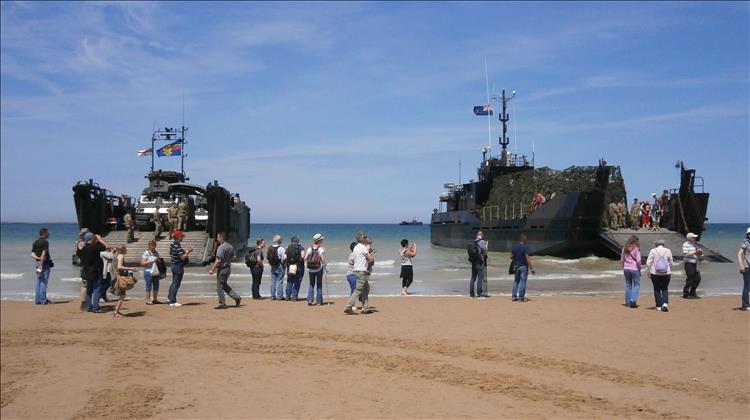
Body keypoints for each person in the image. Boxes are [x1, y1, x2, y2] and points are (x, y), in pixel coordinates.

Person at [208, 232, 241, 309]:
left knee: (219, 286)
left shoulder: (221, 247)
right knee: (224, 285)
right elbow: (234, 257)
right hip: (228, 268)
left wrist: (212, 269)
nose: (217, 239)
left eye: (217, 237)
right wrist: (227, 260)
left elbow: (218, 260)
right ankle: (236, 297)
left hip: (222, 268)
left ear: (221, 238)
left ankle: (222, 303)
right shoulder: (230, 246)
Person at [78, 232, 110, 313]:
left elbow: (79, 253)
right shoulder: (95, 247)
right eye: (93, 237)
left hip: (87, 271)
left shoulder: (84, 248)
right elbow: (107, 246)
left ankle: (89, 307)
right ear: (91, 238)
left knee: (89, 290)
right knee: (96, 289)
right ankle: (96, 307)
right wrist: (100, 239)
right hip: (96, 271)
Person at [344, 232, 374, 314]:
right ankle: (348, 306)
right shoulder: (363, 247)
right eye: (364, 237)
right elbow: (370, 259)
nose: (365, 238)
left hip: (356, 270)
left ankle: (366, 307)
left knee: (366, 288)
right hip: (361, 271)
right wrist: (371, 258)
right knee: (358, 290)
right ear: (361, 238)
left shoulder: (356, 247)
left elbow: (357, 258)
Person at [646, 239, 673, 312]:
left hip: (655, 272)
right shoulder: (668, 250)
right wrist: (669, 268)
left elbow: (648, 262)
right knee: (665, 288)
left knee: (656, 288)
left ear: (656, 244)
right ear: (663, 244)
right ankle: (664, 303)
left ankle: (658, 306)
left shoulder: (653, 250)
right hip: (666, 273)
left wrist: (648, 270)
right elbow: (671, 262)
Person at [167, 230, 192, 307]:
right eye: (181, 236)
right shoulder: (177, 247)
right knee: (176, 284)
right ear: (178, 237)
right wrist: (188, 252)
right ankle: (173, 301)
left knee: (173, 282)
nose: (182, 238)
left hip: (173, 264)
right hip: (178, 266)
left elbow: (170, 252)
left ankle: (169, 298)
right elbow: (182, 258)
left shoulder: (172, 244)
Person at [113, 245, 138, 318]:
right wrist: (130, 268)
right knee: (122, 295)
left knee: (122, 295)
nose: (127, 250)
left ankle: (116, 311)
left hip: (118, 276)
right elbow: (119, 267)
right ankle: (116, 312)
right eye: (126, 249)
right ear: (123, 250)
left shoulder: (116, 255)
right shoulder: (121, 256)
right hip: (121, 277)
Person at [30, 227, 53, 305]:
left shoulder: (35, 242)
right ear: (44, 233)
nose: (49, 234)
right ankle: (43, 300)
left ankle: (38, 300)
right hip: (44, 264)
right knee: (44, 282)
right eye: (47, 233)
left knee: (39, 281)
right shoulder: (45, 242)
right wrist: (42, 264)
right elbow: (44, 254)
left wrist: (38, 258)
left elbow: (32, 254)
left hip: (37, 263)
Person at [510, 235, 535, 302]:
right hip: (523, 266)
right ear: (524, 240)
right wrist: (531, 269)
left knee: (516, 282)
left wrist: (516, 259)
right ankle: (521, 298)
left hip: (516, 267)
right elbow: (527, 258)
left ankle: (514, 297)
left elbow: (511, 257)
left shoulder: (514, 247)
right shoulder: (525, 247)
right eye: (526, 240)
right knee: (523, 282)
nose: (527, 241)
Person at [620, 235, 642, 308]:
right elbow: (638, 261)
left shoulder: (625, 248)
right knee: (637, 285)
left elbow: (622, 260)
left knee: (628, 285)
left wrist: (623, 267)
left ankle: (627, 303)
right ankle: (633, 299)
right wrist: (639, 268)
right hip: (634, 268)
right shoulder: (636, 249)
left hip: (626, 268)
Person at [305, 233, 327, 306]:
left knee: (311, 284)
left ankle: (310, 300)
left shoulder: (309, 248)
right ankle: (319, 302)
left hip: (311, 269)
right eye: (322, 239)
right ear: (319, 240)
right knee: (319, 284)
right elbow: (322, 258)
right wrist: (324, 264)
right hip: (318, 268)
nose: (322, 240)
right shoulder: (321, 248)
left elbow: (305, 258)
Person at [141, 240, 163, 304]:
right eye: (152, 245)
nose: (153, 247)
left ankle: (155, 299)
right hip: (148, 271)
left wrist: (158, 260)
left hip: (155, 271)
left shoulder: (156, 253)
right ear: (149, 246)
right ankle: (148, 300)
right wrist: (151, 261)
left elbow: (159, 261)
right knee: (148, 286)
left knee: (156, 285)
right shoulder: (146, 253)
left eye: (154, 245)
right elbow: (142, 263)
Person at [682, 232, 703, 299]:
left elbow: (698, 254)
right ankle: (686, 293)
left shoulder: (694, 245)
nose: (695, 238)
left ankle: (692, 292)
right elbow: (685, 254)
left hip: (695, 263)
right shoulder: (685, 244)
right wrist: (695, 252)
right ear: (689, 238)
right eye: (693, 237)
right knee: (690, 279)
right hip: (689, 263)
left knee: (698, 279)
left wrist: (700, 253)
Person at [284, 236, 306, 301]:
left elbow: (285, 257)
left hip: (290, 266)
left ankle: (287, 296)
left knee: (289, 281)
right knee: (297, 281)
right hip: (299, 267)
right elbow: (303, 256)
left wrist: (288, 264)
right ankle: (294, 296)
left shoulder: (288, 247)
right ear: (298, 241)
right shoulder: (301, 247)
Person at [469, 230, 488, 298]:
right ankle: (479, 294)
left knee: (473, 278)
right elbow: (485, 252)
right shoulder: (482, 242)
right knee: (480, 278)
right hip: (480, 262)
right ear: (482, 235)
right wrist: (486, 245)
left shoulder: (473, 242)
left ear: (477, 235)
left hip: (473, 262)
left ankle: (471, 294)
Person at [268, 235, 286, 300]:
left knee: (273, 281)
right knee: (280, 280)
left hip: (273, 265)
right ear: (279, 241)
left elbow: (268, 257)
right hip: (279, 265)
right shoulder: (281, 248)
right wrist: (283, 264)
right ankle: (280, 296)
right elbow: (284, 258)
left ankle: (272, 296)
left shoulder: (270, 248)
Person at [76, 228, 89, 310]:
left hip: (86, 265)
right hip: (84, 265)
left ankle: (86, 301)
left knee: (87, 284)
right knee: (85, 284)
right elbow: (83, 251)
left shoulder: (83, 242)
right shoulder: (81, 243)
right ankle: (83, 302)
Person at [737, 227, 750, 311]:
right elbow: (739, 253)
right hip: (747, 266)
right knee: (747, 286)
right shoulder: (746, 242)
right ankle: (745, 305)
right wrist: (741, 264)